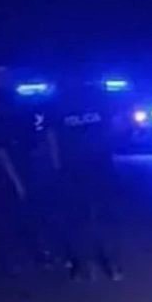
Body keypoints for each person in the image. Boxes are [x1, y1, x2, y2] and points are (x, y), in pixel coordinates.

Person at [42, 81, 122, 281]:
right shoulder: (57, 102)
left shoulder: (97, 97)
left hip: (98, 166)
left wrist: (110, 157)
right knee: (77, 218)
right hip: (73, 168)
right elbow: (51, 135)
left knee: (100, 216)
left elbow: (110, 127)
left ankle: (107, 262)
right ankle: (80, 263)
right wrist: (57, 166)